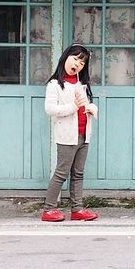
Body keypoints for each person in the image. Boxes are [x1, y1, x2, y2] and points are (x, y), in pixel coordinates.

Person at [41, 43, 99, 222]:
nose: (77, 65)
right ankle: (49, 210)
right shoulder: (55, 84)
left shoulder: (81, 83)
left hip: (83, 134)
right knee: (61, 173)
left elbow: (86, 103)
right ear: (65, 57)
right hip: (67, 136)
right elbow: (50, 109)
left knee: (78, 174)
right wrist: (73, 107)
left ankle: (77, 210)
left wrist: (91, 108)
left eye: (82, 63)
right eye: (75, 59)